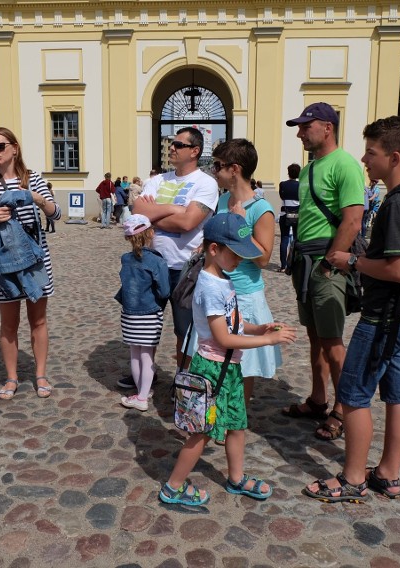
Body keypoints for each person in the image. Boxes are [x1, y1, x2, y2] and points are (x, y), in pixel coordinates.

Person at [304, 115, 400, 503]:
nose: (364, 158)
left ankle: (353, 477)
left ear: (393, 157)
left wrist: (352, 262)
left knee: (355, 393)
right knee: (398, 393)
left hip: (386, 315)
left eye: (371, 152)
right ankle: (388, 474)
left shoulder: (399, 204)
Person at [158, 213, 296, 506]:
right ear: (213, 250)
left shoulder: (224, 279)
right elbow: (223, 338)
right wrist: (267, 341)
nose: (240, 260)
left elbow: (234, 324)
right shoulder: (209, 286)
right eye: (235, 254)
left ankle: (236, 478)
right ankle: (173, 487)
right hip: (211, 370)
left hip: (228, 369)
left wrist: (261, 328)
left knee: (236, 424)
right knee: (201, 433)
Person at [281, 102, 365, 442]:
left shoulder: (344, 164)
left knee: (332, 342)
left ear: (327, 127)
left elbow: (353, 219)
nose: (300, 132)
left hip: (326, 262)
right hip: (306, 261)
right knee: (315, 337)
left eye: (306, 126)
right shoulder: (309, 168)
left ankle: (344, 409)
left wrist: (331, 262)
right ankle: (318, 399)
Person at [0, 127, 61, 400]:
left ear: (14, 148)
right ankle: (11, 378)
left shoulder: (33, 178)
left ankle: (41, 374)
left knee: (39, 320)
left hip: (35, 260)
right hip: (4, 263)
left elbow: (56, 213)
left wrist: (34, 196)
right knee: (8, 324)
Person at [132, 127, 219, 373]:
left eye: (179, 145)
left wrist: (154, 214)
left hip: (186, 268)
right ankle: (144, 377)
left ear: (195, 151)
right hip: (152, 263)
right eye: (172, 143)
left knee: (184, 330)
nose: (172, 147)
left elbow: (187, 223)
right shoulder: (157, 180)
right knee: (146, 327)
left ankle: (183, 379)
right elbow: (138, 213)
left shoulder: (206, 183)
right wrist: (175, 209)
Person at [212, 139, 281, 404]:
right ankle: (218, 413)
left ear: (234, 169)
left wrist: (239, 224)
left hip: (244, 297)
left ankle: (235, 419)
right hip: (219, 292)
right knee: (217, 359)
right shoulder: (222, 201)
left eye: (218, 166)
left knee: (242, 366)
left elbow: (263, 258)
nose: (214, 171)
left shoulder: (261, 209)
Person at [115, 214, 170, 411]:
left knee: (135, 355)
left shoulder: (126, 259)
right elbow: (164, 291)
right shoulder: (157, 261)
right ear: (151, 233)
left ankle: (141, 392)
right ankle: (142, 397)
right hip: (150, 314)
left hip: (129, 314)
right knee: (147, 356)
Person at [277, 164, 301, 272]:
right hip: (298, 214)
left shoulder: (283, 184)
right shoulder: (300, 185)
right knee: (296, 239)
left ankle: (283, 265)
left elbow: (282, 197)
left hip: (285, 214)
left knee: (284, 239)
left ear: (288, 172)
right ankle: (295, 263)